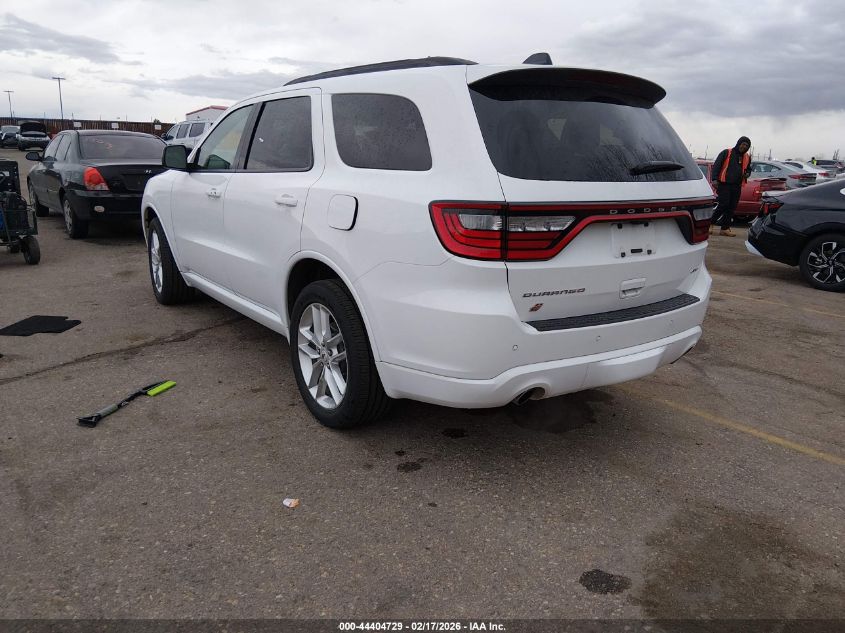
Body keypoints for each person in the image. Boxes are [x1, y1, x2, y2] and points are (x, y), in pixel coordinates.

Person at [710, 136, 752, 236]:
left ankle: (725, 228)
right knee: (723, 205)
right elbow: (717, 166)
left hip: (737, 185)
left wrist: (747, 174)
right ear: (738, 143)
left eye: (746, 146)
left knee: (732, 207)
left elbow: (748, 169)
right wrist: (714, 180)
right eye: (743, 144)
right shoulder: (726, 152)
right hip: (724, 184)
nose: (744, 147)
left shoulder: (747, 157)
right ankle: (710, 223)